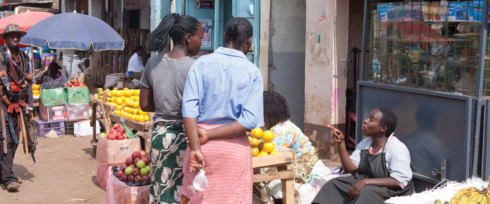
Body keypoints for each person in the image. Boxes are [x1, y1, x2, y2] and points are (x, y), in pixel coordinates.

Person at [181, 17, 263, 203]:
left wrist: (196, 145)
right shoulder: (253, 72)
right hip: (233, 151)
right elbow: (249, 121)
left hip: (199, 144)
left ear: (225, 36)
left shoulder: (200, 64)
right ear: (250, 41)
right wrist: (210, 134)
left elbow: (188, 109)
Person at [139, 13, 203, 203]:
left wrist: (163, 102)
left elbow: (144, 104)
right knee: (188, 192)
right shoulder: (197, 67)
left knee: (162, 190)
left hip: (160, 136)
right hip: (189, 138)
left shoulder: (153, 63)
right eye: (200, 37)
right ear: (188, 37)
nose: (201, 43)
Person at [312, 108, 414, 204]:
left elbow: (398, 180)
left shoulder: (397, 148)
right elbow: (350, 169)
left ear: (383, 128)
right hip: (367, 181)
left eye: (371, 119)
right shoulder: (365, 143)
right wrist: (341, 143)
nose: (365, 121)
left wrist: (365, 182)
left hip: (391, 188)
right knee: (333, 184)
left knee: (365, 193)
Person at [0, 24, 36, 192]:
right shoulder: (1, 55)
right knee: (5, 138)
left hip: (18, 103)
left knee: (15, 139)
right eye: (11, 35)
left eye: (17, 35)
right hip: (2, 103)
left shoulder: (24, 57)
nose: (15, 38)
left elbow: (28, 84)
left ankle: (4, 173)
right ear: (5, 38)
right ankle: (8, 178)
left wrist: (29, 105)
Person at [263, 90, 314, 157]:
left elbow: (273, 154)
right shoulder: (269, 125)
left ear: (268, 111)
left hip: (302, 159)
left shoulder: (280, 130)